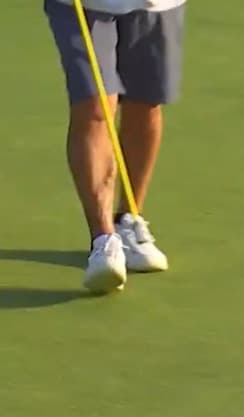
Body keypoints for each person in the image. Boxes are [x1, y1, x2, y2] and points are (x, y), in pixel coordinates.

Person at [43, 0, 184, 294]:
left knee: (145, 103)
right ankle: (103, 240)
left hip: (156, 5)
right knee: (94, 106)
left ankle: (128, 221)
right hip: (85, 5)